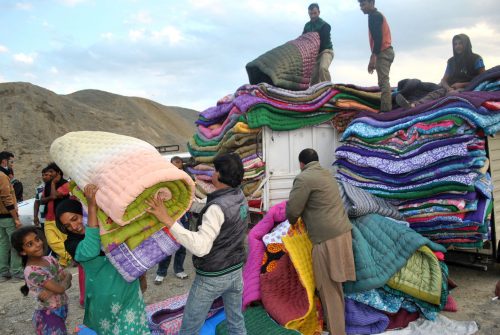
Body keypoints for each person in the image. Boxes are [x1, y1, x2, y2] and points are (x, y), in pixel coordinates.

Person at [146, 152, 248, 335]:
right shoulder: (239, 196)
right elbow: (209, 207)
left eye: (215, 170)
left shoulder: (217, 207)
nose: (212, 174)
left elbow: (201, 247)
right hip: (235, 272)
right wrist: (178, 200)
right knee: (236, 322)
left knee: (189, 328)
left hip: (213, 277)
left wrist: (168, 221)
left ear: (219, 175)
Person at [56, 186, 150, 335]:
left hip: (128, 289)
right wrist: (92, 206)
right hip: (104, 298)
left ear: (83, 213)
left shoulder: (108, 228)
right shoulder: (71, 243)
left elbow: (132, 253)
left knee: (135, 330)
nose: (74, 226)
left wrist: (142, 276)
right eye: (67, 225)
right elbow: (92, 248)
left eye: (75, 218)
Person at [286, 148, 355, 335]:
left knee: (328, 288)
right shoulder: (327, 174)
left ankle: (337, 332)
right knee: (336, 286)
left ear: (301, 164)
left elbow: (292, 212)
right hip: (343, 234)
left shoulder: (303, 178)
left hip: (327, 238)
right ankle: (336, 326)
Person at [396, 34, 485, 108]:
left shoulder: (476, 59)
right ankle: (413, 105)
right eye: (455, 44)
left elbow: (483, 78)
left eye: (460, 43)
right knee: (434, 94)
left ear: (466, 44)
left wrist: (462, 84)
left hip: (467, 88)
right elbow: (444, 80)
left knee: (450, 96)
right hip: (450, 88)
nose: (457, 46)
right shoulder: (451, 61)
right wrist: (448, 88)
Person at [11, 226, 72, 335]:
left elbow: (68, 277)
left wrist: (53, 289)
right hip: (47, 316)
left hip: (60, 309)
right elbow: (62, 286)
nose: (38, 244)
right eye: (30, 244)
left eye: (37, 239)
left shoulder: (50, 259)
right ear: (22, 252)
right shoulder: (32, 272)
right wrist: (60, 285)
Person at [154, 156, 190, 284]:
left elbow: (190, 195)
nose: (178, 165)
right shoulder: (165, 178)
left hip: (183, 216)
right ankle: (161, 272)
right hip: (168, 216)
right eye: (175, 162)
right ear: (170, 164)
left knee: (182, 244)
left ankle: (179, 269)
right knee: (167, 245)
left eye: (179, 162)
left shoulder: (186, 177)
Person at [359, 0, 395, 112]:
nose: (361, 7)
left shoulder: (374, 16)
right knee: (383, 81)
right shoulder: (375, 16)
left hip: (383, 52)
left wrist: (373, 57)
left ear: (371, 3)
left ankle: (386, 112)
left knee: (383, 82)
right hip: (386, 51)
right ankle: (387, 107)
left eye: (363, 4)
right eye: (360, 5)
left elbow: (378, 38)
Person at [41, 163, 72, 267]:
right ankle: (70, 256)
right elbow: (42, 200)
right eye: (48, 172)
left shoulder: (65, 184)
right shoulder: (48, 184)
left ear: (58, 172)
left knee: (63, 240)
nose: (49, 174)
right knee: (52, 242)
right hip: (48, 218)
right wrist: (51, 186)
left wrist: (53, 184)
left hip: (60, 217)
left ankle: (63, 262)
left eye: (51, 172)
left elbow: (54, 196)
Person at [0, 151, 23, 282]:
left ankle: (3, 272)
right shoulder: (3, 176)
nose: (12, 164)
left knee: (3, 244)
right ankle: (16, 271)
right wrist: (15, 218)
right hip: (7, 216)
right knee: (15, 242)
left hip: (0, 218)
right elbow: (6, 198)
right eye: (11, 161)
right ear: (4, 161)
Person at [303, 3, 334, 85]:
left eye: (315, 13)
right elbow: (303, 40)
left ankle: (329, 90)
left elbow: (322, 43)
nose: (312, 16)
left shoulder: (325, 25)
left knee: (323, 68)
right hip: (314, 54)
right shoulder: (307, 26)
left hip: (326, 51)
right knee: (313, 76)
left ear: (319, 12)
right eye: (310, 13)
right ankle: (314, 95)